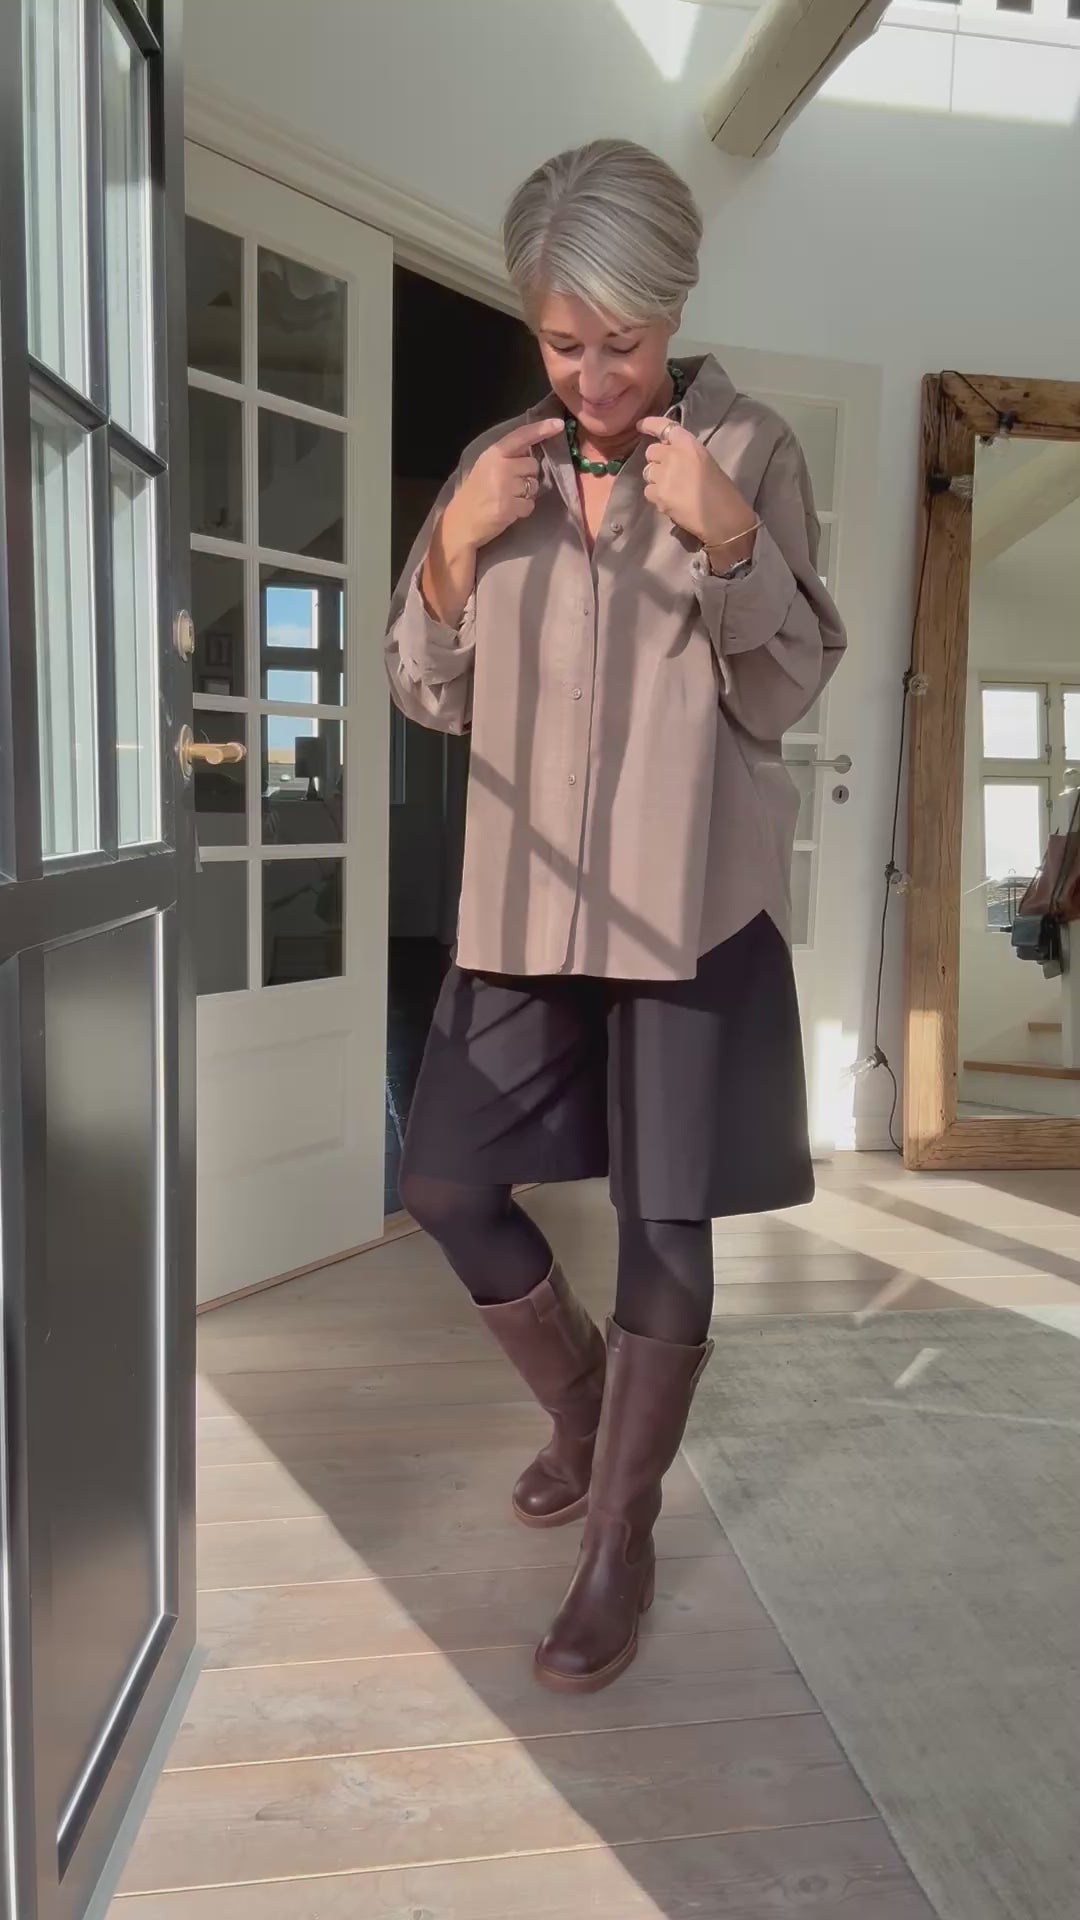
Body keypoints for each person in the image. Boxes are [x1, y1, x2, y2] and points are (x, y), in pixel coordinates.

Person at [385, 139, 845, 1693]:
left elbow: (783, 686)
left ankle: (619, 1537)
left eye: (625, 345)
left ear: (677, 306)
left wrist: (729, 536)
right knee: (447, 1182)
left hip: (691, 900)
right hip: (524, 901)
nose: (594, 379)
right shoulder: (495, 462)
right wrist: (455, 546)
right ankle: (584, 1407)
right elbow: (423, 690)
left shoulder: (752, 446)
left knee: (666, 1214)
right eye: (564, 343)